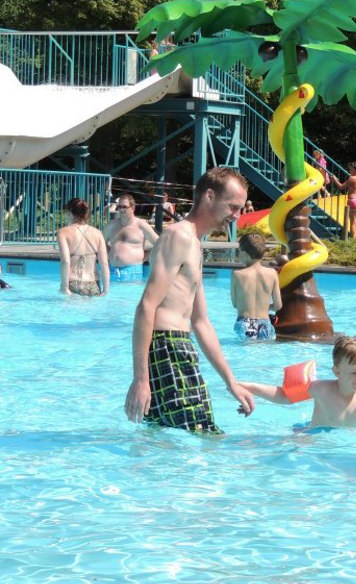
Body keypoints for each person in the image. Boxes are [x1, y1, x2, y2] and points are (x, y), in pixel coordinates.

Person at [124, 167, 256, 434]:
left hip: (177, 347)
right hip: (167, 349)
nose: (236, 216)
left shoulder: (194, 244)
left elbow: (201, 322)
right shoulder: (178, 237)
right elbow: (146, 306)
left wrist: (231, 382)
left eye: (240, 209)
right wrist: (140, 379)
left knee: (167, 436)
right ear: (209, 196)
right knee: (205, 434)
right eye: (232, 207)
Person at [238, 335, 356, 428]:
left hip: (340, 445)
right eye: (354, 372)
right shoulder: (321, 389)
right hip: (313, 436)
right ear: (337, 372)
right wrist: (247, 387)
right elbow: (284, 396)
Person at [231, 233, 282, 341]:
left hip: (245, 323)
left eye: (239, 252)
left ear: (244, 253)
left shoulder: (237, 274)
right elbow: (278, 305)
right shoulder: (272, 273)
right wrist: (263, 306)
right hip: (264, 323)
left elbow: (235, 304)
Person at [57, 198, 110, 297]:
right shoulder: (98, 233)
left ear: (70, 213)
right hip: (94, 285)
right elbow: (105, 263)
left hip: (73, 284)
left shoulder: (63, 232)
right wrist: (105, 290)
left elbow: (65, 261)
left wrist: (64, 287)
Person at [103, 194, 159, 282]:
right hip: (112, 271)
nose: (121, 209)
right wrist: (109, 253)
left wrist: (146, 256)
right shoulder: (111, 225)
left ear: (132, 208)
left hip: (133, 272)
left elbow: (159, 244)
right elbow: (100, 243)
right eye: (119, 206)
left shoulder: (142, 226)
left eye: (124, 207)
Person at [332, 161, 356, 240]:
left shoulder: (352, 178)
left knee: (353, 222)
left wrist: (334, 179)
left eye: (351, 170)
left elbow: (341, 187)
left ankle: (353, 240)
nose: (350, 171)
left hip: (353, 200)